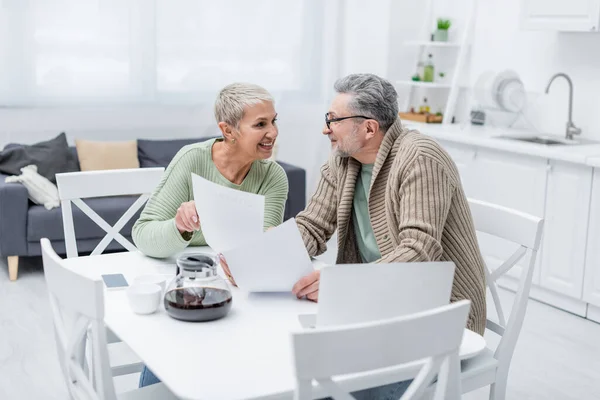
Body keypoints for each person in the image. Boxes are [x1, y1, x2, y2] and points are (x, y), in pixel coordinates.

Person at [291, 73, 487, 398]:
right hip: (377, 304)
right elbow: (311, 225)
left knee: (337, 383)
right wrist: (260, 256)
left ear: (369, 128)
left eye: (334, 120)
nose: (326, 128)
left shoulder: (419, 157)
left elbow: (418, 249)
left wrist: (345, 285)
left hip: (439, 314)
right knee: (307, 366)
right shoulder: (342, 160)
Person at [133, 82, 288, 387]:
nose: (273, 132)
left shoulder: (273, 176)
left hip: (239, 289)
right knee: (175, 339)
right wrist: (178, 226)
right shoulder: (192, 160)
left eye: (273, 121)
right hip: (188, 283)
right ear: (228, 130)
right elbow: (143, 234)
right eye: (260, 124)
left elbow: (263, 247)